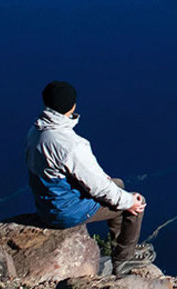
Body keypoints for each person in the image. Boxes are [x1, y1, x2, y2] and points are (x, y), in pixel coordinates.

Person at [25, 80, 155, 276]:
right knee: (135, 202)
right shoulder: (71, 144)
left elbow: (59, 171)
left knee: (117, 185)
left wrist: (107, 183)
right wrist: (129, 202)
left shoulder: (36, 131)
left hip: (46, 203)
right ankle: (124, 260)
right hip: (65, 211)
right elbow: (99, 188)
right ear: (72, 106)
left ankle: (120, 250)